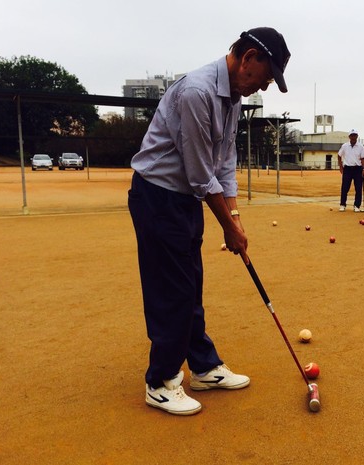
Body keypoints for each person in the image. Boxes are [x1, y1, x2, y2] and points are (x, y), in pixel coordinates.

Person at [128, 27, 291, 416]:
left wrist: (235, 218)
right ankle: (161, 380)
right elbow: (201, 173)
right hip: (158, 196)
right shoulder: (197, 92)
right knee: (173, 290)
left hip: (184, 200)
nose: (264, 88)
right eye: (266, 77)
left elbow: (225, 164)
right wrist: (229, 230)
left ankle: (202, 366)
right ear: (248, 57)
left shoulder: (232, 98)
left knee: (190, 284)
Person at [337, 129, 364, 212]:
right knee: (345, 188)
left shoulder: (361, 146)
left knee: (358, 188)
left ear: (357, 136)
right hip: (347, 169)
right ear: (349, 137)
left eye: (355, 135)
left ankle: (357, 205)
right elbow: (339, 155)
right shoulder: (345, 146)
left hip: (358, 169)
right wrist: (340, 166)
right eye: (352, 135)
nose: (353, 137)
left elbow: (363, 158)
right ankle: (342, 204)